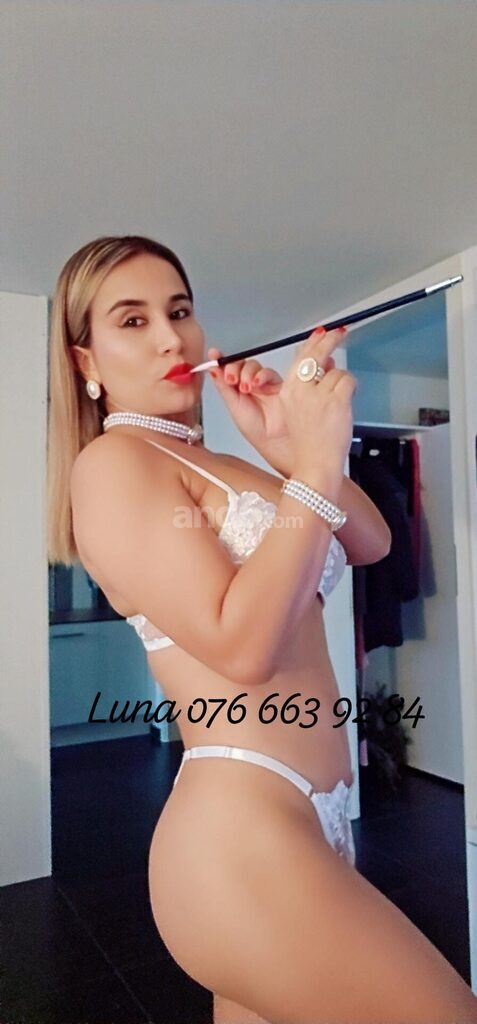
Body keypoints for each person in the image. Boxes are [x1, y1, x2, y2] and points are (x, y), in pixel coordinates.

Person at [47, 234, 477, 1024]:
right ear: (85, 361)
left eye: (179, 310)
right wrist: (310, 467)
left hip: (307, 822)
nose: (172, 337)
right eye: (133, 321)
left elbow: (371, 541)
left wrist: (284, 447)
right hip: (238, 836)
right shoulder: (113, 465)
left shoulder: (228, 464)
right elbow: (241, 647)